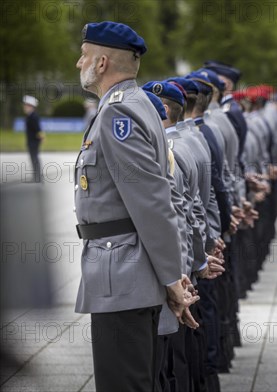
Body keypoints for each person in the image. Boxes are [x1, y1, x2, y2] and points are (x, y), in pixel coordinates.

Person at [73, 21, 198, 391]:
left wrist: (172, 280)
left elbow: (151, 202)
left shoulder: (118, 113)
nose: (77, 63)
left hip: (121, 274)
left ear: (101, 63)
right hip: (127, 271)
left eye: (83, 56)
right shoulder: (135, 103)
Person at [22, 95, 43, 182]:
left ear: (31, 106)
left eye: (26, 106)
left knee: (34, 158)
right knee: (34, 158)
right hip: (31, 141)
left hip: (34, 141)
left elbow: (38, 129)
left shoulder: (33, 116)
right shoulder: (30, 116)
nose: (25, 107)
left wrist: (40, 138)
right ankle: (36, 176)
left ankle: (37, 177)